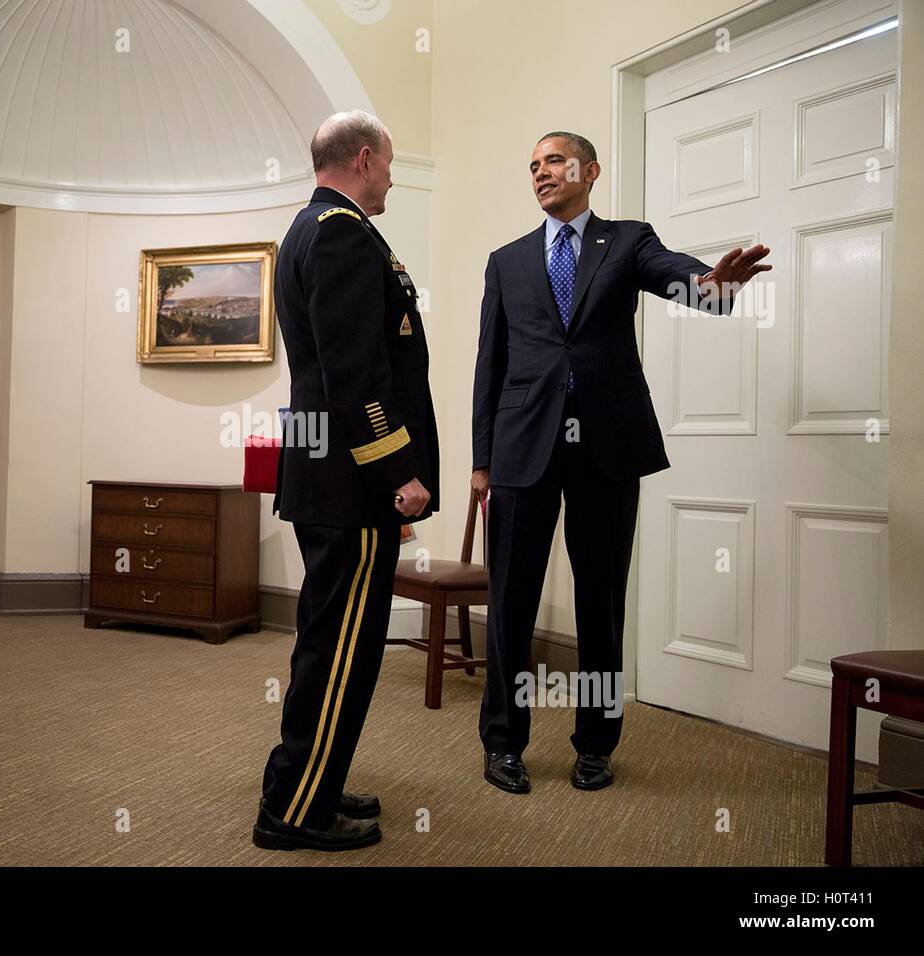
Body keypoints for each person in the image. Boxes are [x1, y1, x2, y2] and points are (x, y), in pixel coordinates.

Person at [471, 132, 770, 795]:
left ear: (589, 170)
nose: (540, 172)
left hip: (606, 447)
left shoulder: (628, 240)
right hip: (524, 448)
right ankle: (503, 742)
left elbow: (677, 277)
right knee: (510, 604)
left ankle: (596, 744)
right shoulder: (508, 260)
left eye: (552, 160)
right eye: (532, 165)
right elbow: (489, 363)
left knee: (600, 603)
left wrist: (713, 287)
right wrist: (482, 459)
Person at [254, 111, 439, 852]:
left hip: (329, 473)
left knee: (328, 642)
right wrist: (397, 469)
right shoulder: (339, 232)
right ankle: (296, 809)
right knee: (340, 652)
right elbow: (353, 371)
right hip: (351, 482)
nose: (393, 176)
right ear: (363, 158)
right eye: (390, 164)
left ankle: (312, 782)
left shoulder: (310, 228)